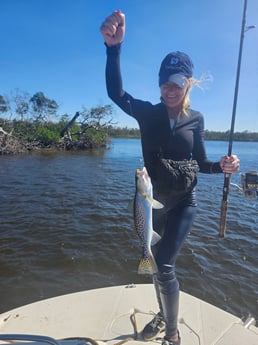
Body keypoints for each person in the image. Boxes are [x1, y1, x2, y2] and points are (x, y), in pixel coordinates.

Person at [100, 10, 240, 345]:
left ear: (187, 83)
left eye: (176, 83)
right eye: (164, 83)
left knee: (162, 264)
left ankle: (172, 332)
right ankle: (164, 315)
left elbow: (202, 162)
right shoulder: (147, 113)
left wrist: (222, 165)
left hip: (183, 203)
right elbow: (116, 94)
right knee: (156, 265)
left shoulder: (197, 119)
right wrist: (113, 49)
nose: (169, 89)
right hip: (152, 203)